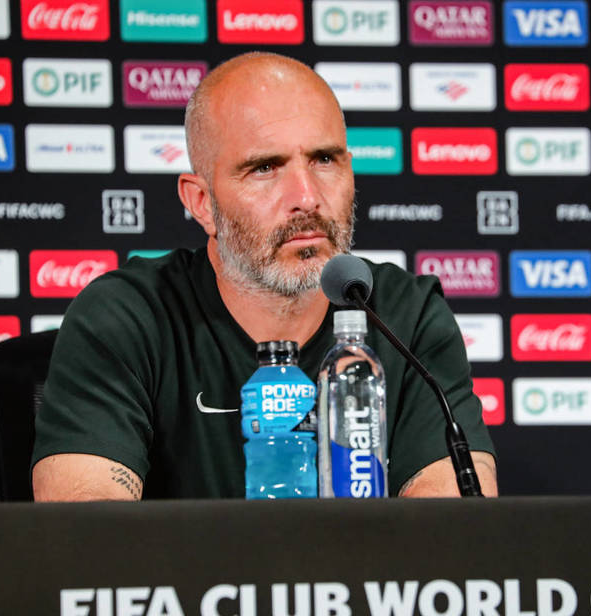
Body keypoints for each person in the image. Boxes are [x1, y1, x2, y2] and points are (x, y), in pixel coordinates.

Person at [30, 52, 497, 501]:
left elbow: (455, 526)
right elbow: (86, 529)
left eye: (325, 160)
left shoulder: (405, 316)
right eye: (265, 168)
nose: (307, 197)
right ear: (201, 203)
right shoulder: (126, 317)